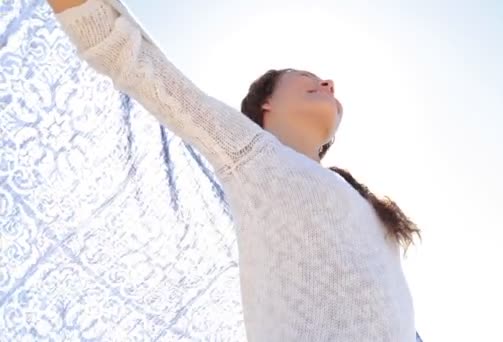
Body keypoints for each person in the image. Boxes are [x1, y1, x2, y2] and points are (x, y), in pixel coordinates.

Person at [48, 0, 422, 340]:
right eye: (305, 76)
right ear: (267, 103)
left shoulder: (361, 201)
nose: (327, 83)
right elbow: (134, 62)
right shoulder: (252, 155)